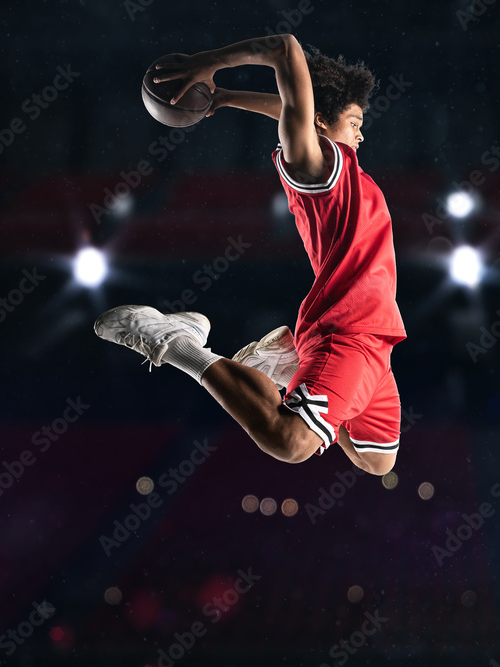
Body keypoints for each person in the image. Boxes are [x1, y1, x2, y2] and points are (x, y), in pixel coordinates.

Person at [94, 34, 406, 476]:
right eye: (354, 121)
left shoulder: (346, 169)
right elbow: (284, 48)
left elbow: (297, 111)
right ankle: (174, 342)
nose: (361, 130)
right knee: (291, 441)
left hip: (374, 336)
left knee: (376, 459)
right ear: (320, 124)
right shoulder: (318, 167)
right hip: (346, 330)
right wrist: (209, 63)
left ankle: (294, 360)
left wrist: (225, 97)